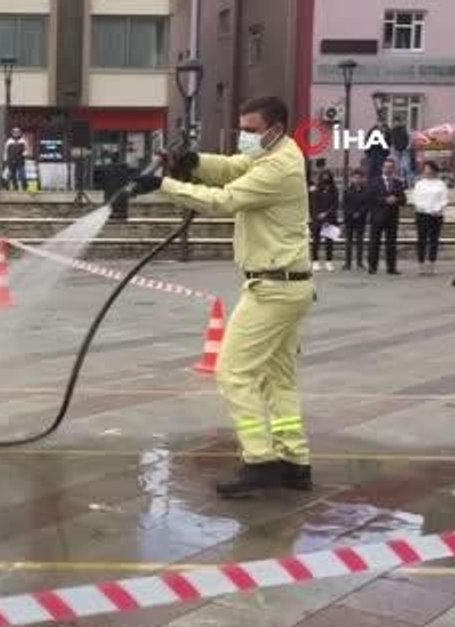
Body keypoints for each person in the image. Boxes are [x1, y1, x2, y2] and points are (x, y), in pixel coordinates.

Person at [132, 96, 314, 498]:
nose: (244, 137)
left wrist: (162, 184)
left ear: (275, 128)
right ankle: (294, 461)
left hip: (272, 288)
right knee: (278, 377)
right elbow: (233, 167)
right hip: (286, 284)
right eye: (242, 130)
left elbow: (226, 200)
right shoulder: (276, 154)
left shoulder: (279, 167)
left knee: (232, 372)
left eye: (250, 130)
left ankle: (260, 461)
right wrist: (194, 162)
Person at [365, 158, 406, 275]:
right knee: (374, 243)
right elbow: (369, 197)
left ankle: (391, 267)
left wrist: (396, 199)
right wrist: (384, 200)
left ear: (393, 168)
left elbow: (404, 200)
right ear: (382, 168)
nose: (388, 169)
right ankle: (372, 267)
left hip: (392, 218)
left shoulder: (398, 182)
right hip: (377, 217)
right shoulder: (374, 181)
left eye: (390, 167)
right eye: (386, 167)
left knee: (391, 244)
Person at [410, 161, 449, 275]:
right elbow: (415, 198)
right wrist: (422, 208)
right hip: (422, 214)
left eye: (429, 168)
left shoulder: (440, 184)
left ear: (434, 169)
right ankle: (421, 265)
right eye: (425, 169)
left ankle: (431, 265)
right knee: (421, 240)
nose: (427, 171)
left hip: (436, 215)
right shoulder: (419, 184)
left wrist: (437, 209)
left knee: (433, 240)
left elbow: (444, 199)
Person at [308, 169, 339, 271]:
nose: (326, 178)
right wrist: (317, 215)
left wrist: (326, 214)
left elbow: (335, 204)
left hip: (329, 218)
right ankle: (315, 262)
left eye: (328, 176)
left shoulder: (334, 190)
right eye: (324, 176)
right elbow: (313, 204)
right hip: (317, 219)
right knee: (316, 241)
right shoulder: (315, 189)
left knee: (329, 241)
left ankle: (328, 262)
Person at [342, 169, 369, 271]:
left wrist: (360, 213)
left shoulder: (365, 190)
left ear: (362, 179)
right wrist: (352, 213)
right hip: (349, 219)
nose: (357, 179)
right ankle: (347, 263)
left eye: (359, 177)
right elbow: (345, 205)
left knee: (360, 241)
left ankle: (359, 262)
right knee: (348, 241)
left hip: (361, 219)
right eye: (355, 177)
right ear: (352, 178)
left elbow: (366, 204)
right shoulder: (347, 190)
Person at [366, 117, 391, 181]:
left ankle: (380, 182)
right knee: (372, 169)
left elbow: (389, 141)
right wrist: (368, 152)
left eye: (382, 122)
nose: (381, 124)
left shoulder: (387, 131)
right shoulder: (373, 130)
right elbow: (367, 141)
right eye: (380, 122)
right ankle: (371, 182)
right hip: (374, 152)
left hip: (382, 153)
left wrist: (386, 151)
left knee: (381, 169)